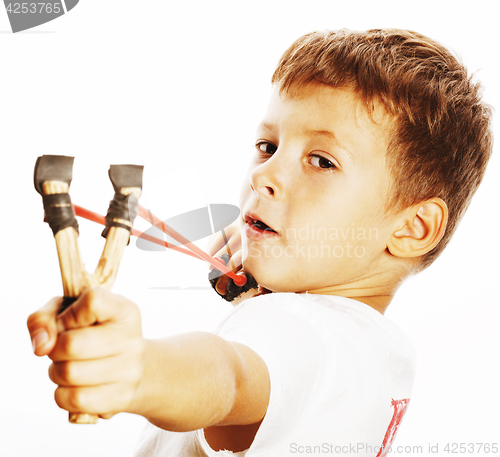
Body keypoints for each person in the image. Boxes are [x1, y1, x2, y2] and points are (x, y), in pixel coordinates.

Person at [27, 28, 493, 456]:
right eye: (267, 146)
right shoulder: (381, 353)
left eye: (322, 161)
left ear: (414, 228)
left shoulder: (295, 328)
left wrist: (141, 368)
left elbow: (229, 378)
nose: (262, 173)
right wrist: (263, 291)